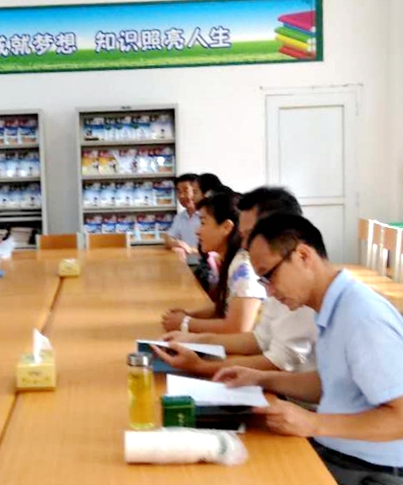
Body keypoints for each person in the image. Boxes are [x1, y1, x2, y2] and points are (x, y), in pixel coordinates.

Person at [215, 214, 403, 485]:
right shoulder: (330, 306)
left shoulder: (362, 316)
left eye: (269, 275)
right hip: (341, 453)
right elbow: (332, 383)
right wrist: (260, 378)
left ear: (303, 255)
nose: (269, 291)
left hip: (370, 470)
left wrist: (312, 423)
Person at [156, 187, 317, 376]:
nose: (244, 244)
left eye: (251, 235)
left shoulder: (292, 286)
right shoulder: (274, 279)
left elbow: (278, 361)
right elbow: (259, 340)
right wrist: (193, 340)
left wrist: (200, 362)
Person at [162, 191, 265, 334]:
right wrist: (190, 315)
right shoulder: (232, 261)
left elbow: (238, 328)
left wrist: (186, 323)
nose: (198, 231)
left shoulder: (243, 269)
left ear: (226, 227)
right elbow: (225, 306)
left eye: (203, 223)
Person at [163, 173, 201, 259]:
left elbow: (215, 250)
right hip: (185, 263)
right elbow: (168, 238)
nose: (181, 196)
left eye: (185, 191)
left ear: (196, 191)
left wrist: (190, 250)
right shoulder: (180, 217)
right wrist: (176, 243)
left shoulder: (208, 216)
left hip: (206, 265)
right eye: (179, 192)